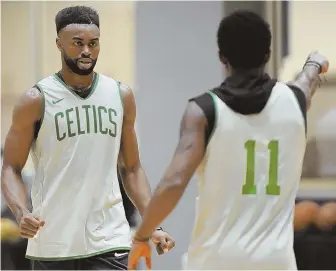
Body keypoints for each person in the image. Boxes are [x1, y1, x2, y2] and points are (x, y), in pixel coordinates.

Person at [128, 10, 329, 270]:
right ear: (267, 54)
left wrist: (142, 235)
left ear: (222, 57)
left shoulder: (202, 111)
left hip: (215, 261)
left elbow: (174, 182)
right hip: (276, 262)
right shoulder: (296, 100)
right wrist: (314, 62)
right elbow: (308, 79)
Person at [1, 6, 174, 270]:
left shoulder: (121, 96)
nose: (86, 51)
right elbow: (11, 167)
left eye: (93, 44)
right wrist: (21, 212)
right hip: (52, 241)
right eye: (77, 43)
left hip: (109, 238)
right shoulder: (35, 100)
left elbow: (132, 168)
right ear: (59, 44)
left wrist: (152, 225)